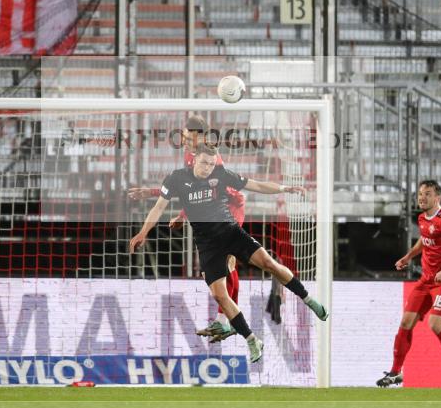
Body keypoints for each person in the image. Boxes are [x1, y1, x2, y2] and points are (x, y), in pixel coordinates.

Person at [130, 144, 328, 364]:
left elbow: (256, 185)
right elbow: (158, 207)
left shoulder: (221, 174)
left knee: (269, 263)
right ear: (194, 159)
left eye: (211, 164)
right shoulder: (176, 178)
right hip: (207, 244)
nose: (207, 168)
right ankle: (252, 339)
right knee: (219, 295)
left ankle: (308, 299)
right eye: (204, 162)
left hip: (230, 232)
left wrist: (284, 188)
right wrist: (143, 232)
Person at [127, 115, 243, 342]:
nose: (186, 140)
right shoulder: (189, 154)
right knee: (220, 269)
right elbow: (187, 187)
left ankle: (226, 322)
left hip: (229, 208)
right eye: (185, 136)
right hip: (211, 210)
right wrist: (154, 193)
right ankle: (223, 321)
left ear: (202, 137)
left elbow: (206, 194)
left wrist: (182, 213)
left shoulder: (213, 160)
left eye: (190, 138)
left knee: (227, 264)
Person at [377, 179, 441, 389]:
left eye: (427, 194)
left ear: (438, 197)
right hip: (427, 280)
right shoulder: (422, 218)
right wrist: (408, 257)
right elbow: (425, 238)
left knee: (435, 324)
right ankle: (395, 372)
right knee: (405, 322)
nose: (422, 197)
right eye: (420, 193)